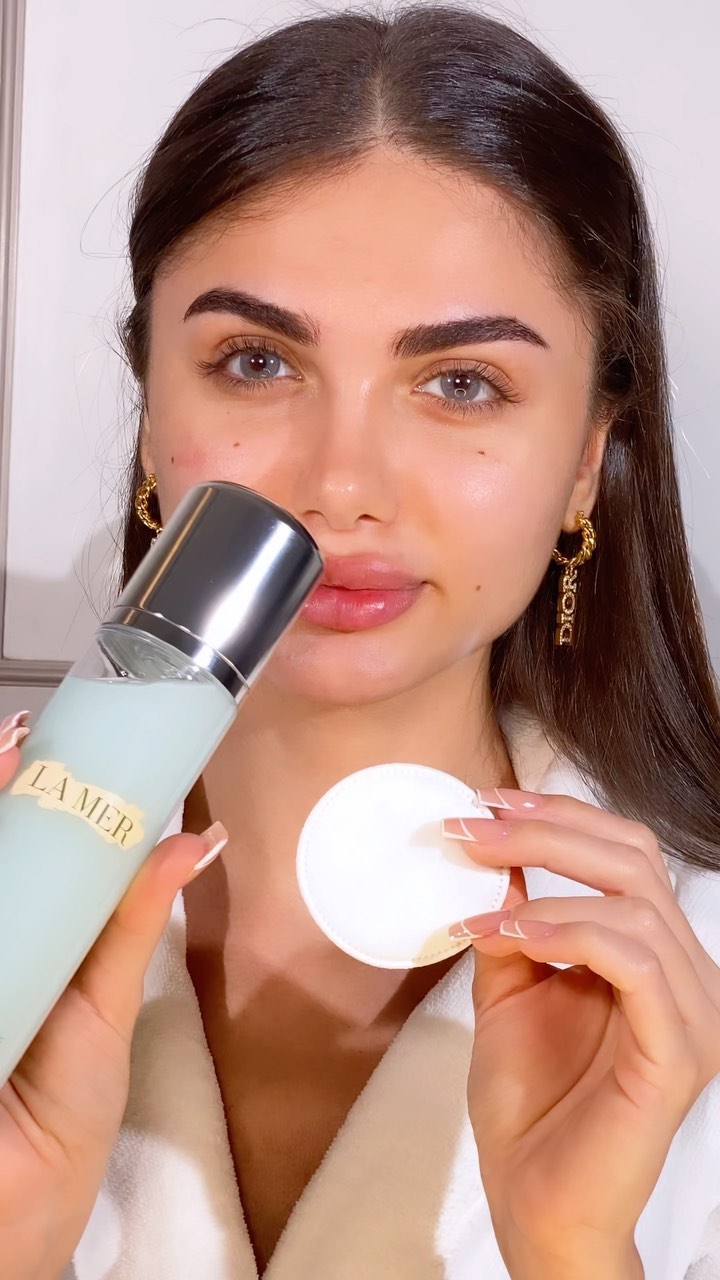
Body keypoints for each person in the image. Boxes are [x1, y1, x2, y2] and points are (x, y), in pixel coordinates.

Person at [2, 5, 719, 1278]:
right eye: (255, 361)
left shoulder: (689, 966)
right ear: (153, 411)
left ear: (587, 459)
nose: (341, 486)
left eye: (462, 383)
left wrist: (574, 1248)